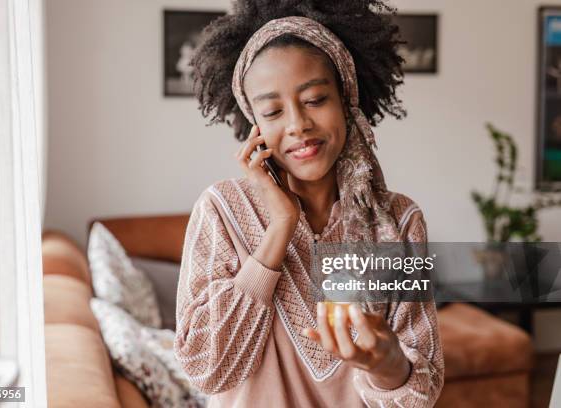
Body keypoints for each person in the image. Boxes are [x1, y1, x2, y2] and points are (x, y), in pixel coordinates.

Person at [173, 1, 444, 407]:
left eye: (316, 99)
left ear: (346, 100)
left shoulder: (401, 222)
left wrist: (388, 365)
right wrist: (280, 226)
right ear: (255, 126)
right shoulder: (220, 210)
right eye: (273, 111)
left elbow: (421, 390)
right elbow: (207, 368)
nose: (298, 124)